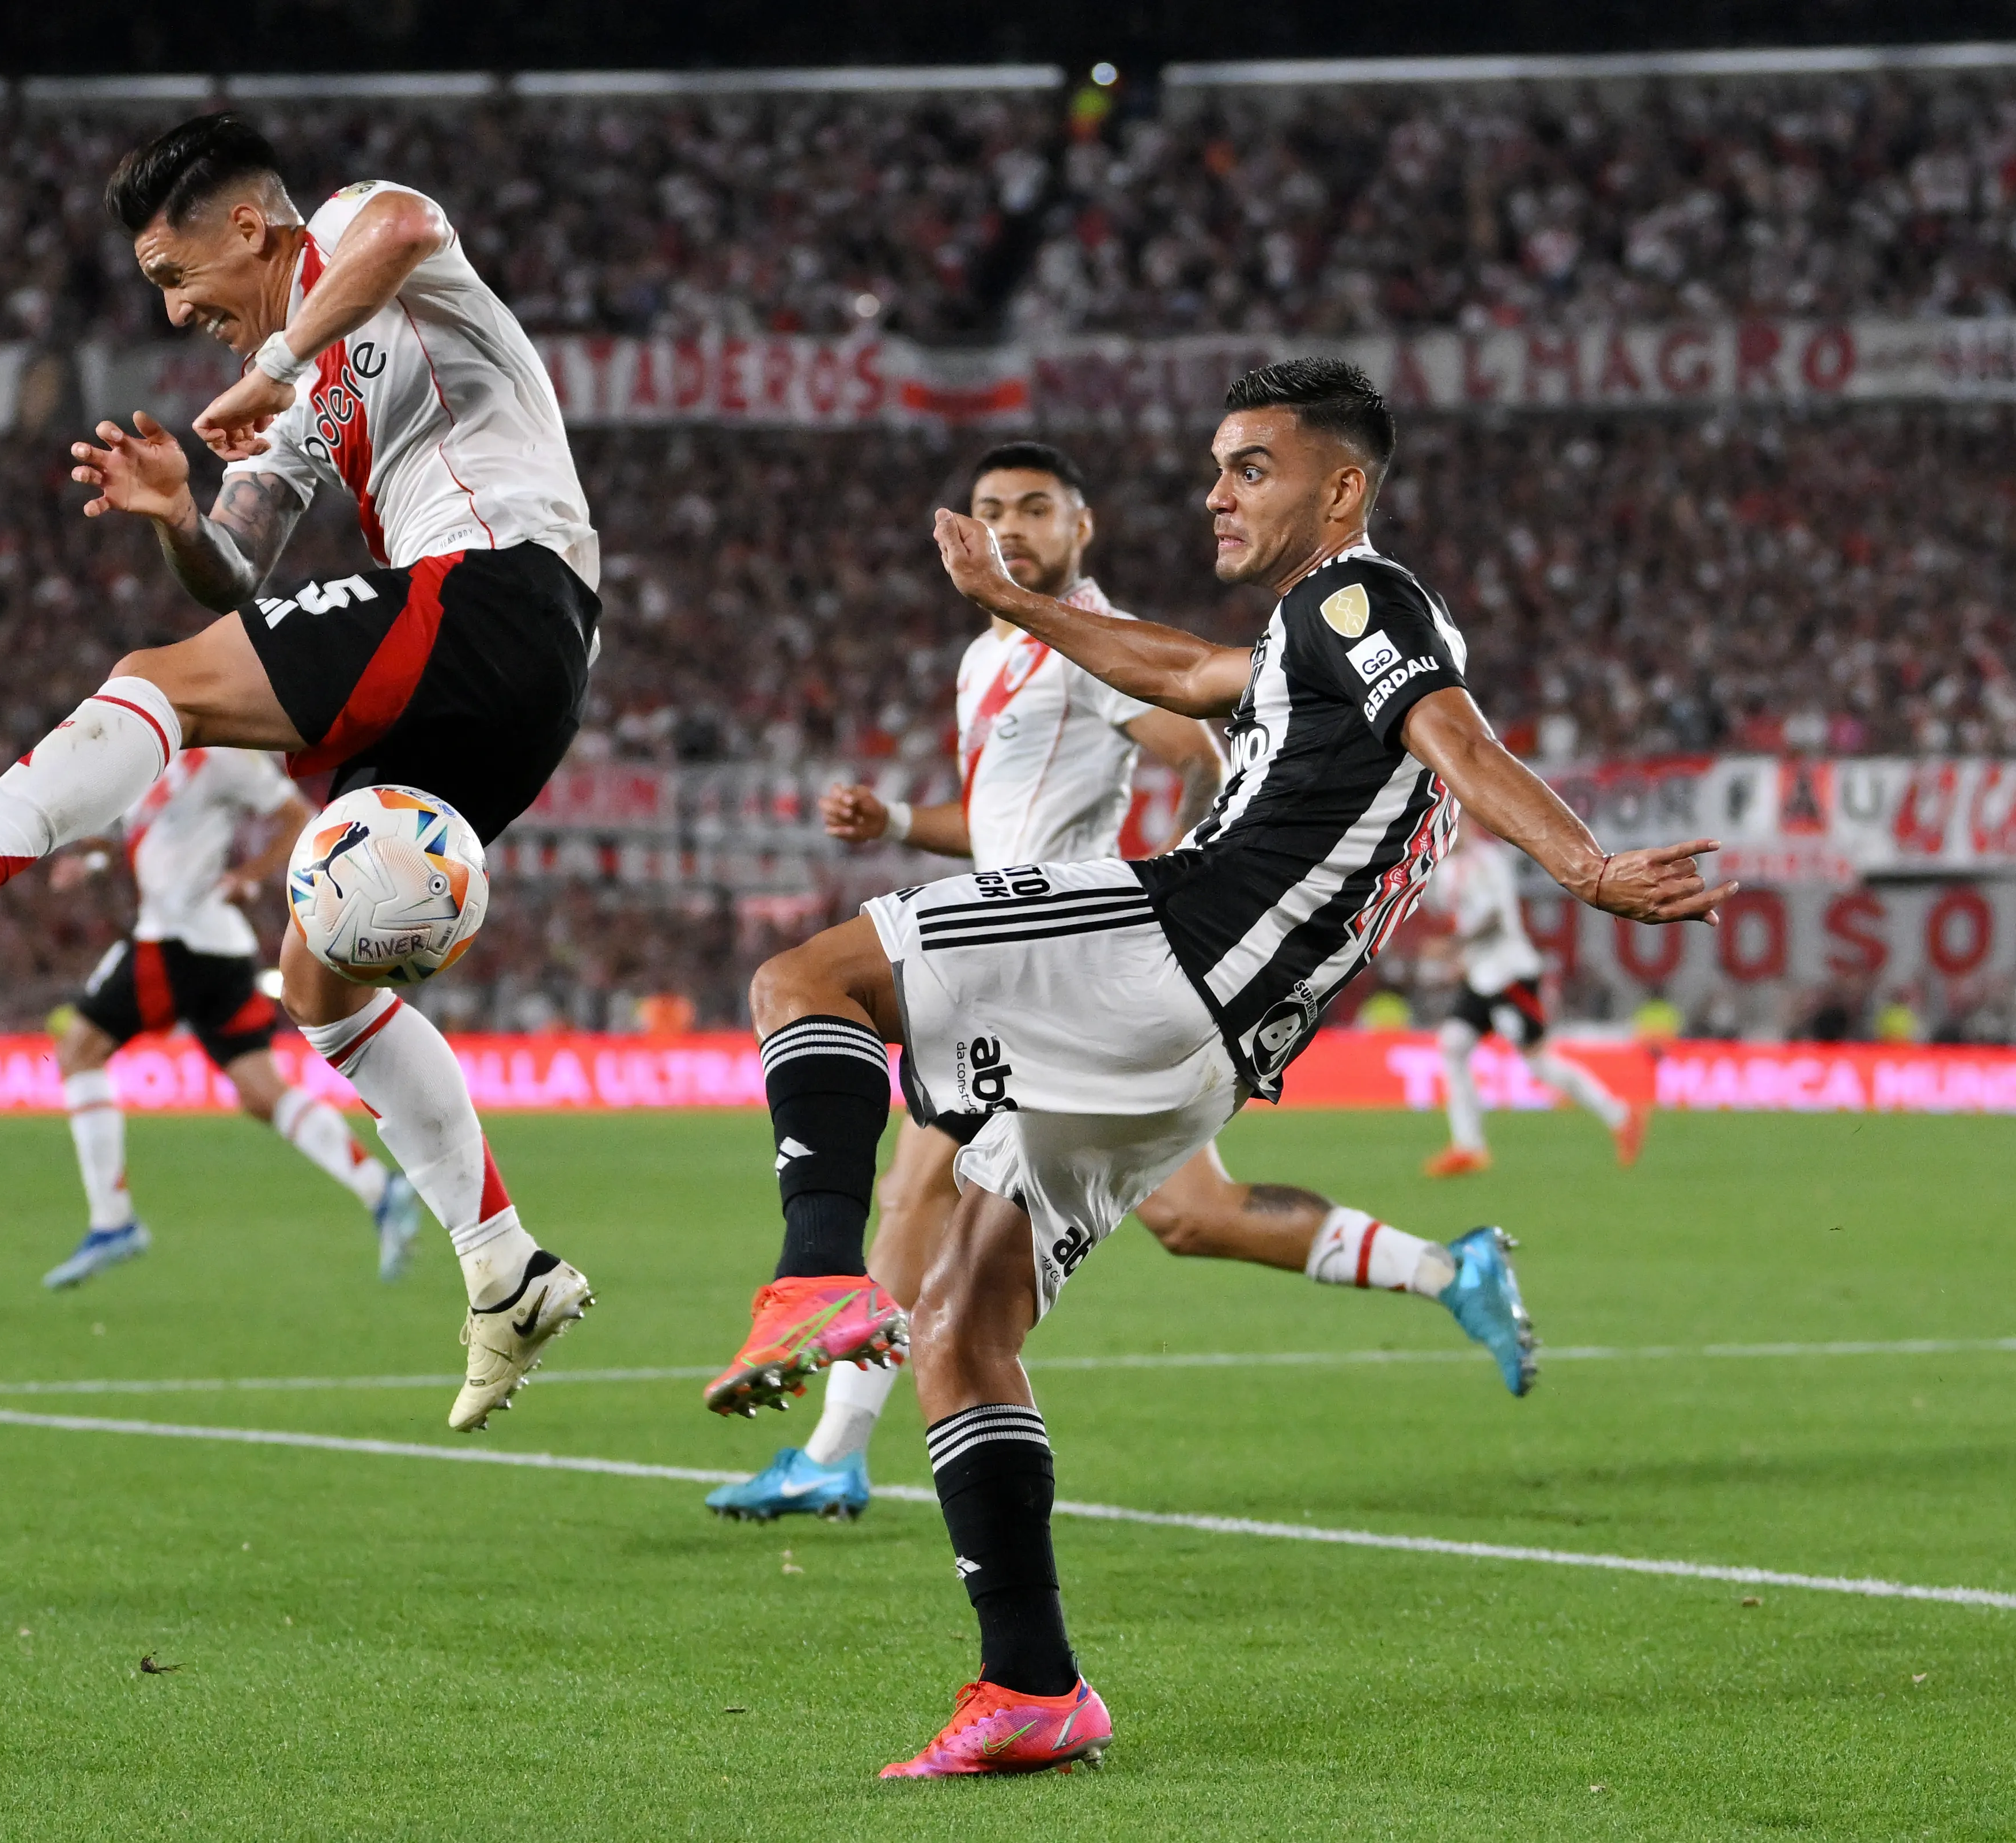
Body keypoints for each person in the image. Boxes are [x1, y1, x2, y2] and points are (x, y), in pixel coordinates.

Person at [704, 359, 1734, 1777]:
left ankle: (815, 1274)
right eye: (1214, 468)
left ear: (1340, 487)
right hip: (1208, 1050)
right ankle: (1030, 1688)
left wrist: (1586, 866)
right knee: (958, 1329)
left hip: (1171, 944)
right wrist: (1011, 601)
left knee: (801, 980)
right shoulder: (1306, 645)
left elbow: (1454, 735)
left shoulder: (1360, 599)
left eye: (1250, 467)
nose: (1215, 494)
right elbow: (1181, 671)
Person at [0, 113, 601, 1430]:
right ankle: (505, 1267)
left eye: (174, 273)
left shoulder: (353, 226)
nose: (173, 308)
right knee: (317, 983)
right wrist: (179, 517)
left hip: (498, 588)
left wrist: (272, 360)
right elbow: (235, 572)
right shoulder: (301, 403)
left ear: (251, 229)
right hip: (513, 674)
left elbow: (406, 229)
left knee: (162, 681)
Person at [705, 441, 1530, 1528]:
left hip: (1064, 968)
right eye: (992, 507)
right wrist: (897, 820)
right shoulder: (985, 660)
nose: (1010, 526)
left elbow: (1199, 746)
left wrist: (1197, 875)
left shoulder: (1082, 644)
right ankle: (1444, 1269)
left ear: (1079, 526)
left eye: (1034, 508)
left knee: (911, 1192)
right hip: (1029, 955)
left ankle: (832, 1450)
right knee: (1195, 1215)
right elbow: (991, 822)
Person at [39, 745, 422, 1291]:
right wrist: (90, 864)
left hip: (176, 941)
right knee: (261, 1092)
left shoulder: (221, 756)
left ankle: (112, 1221)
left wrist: (250, 875)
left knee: (79, 1051)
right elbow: (142, 839)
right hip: (217, 949)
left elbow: (299, 817)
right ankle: (379, 1188)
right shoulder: (156, 760)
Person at [1418, 824, 1646, 1175]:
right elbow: (1454, 916)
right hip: (1480, 978)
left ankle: (1621, 1116)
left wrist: (1453, 946)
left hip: (1511, 975)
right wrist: (1460, 958)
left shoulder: (1488, 860)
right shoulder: (1447, 871)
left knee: (1539, 1063)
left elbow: (1493, 917)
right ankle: (1469, 1147)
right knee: (1453, 1044)